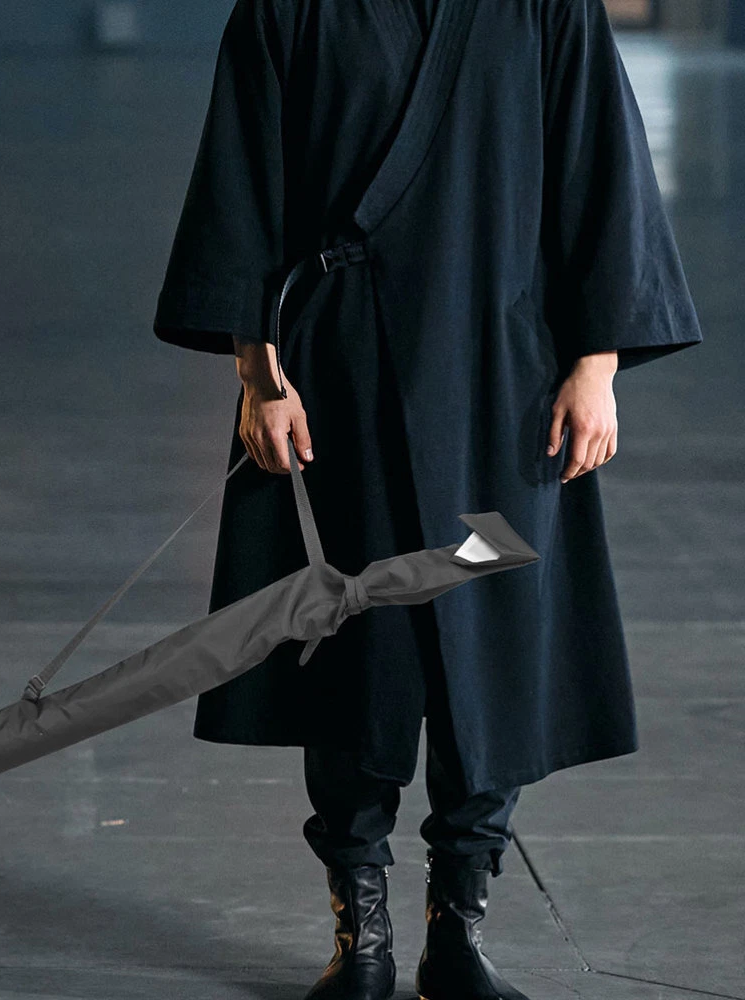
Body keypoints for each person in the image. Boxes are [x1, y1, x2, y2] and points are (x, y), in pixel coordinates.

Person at [151, 1, 703, 998]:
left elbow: (599, 165)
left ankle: (460, 923)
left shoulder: (545, 7)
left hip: (503, 372)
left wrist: (598, 364)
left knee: (491, 649)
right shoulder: (288, 8)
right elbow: (244, 181)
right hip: (338, 371)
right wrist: (258, 373)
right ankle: (359, 932)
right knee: (351, 650)